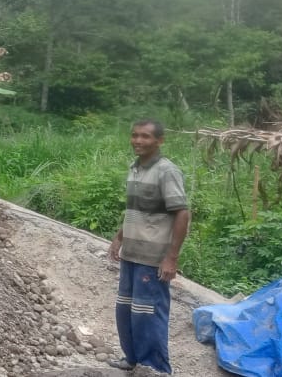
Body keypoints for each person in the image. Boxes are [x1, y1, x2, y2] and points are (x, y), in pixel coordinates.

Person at [107, 119, 190, 375]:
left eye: (145, 136)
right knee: (126, 309)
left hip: (152, 258)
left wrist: (171, 258)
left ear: (159, 141)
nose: (138, 141)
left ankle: (155, 369)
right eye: (134, 135)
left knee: (148, 313)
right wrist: (119, 237)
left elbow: (182, 213)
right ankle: (132, 359)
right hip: (132, 253)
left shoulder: (166, 171)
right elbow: (135, 210)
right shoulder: (135, 168)